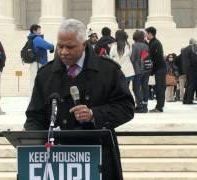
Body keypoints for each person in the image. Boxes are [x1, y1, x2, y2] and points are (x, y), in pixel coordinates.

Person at [24, 19, 134, 180]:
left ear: (84, 44)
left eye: (70, 47)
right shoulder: (45, 75)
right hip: (56, 161)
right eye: (60, 46)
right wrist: (32, 136)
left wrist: (94, 114)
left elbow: (126, 107)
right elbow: (34, 116)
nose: (63, 52)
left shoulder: (108, 71)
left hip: (99, 157)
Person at [28, 24, 54, 94]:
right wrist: (52, 46)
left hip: (34, 63)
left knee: (33, 82)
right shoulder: (37, 39)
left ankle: (33, 100)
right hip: (38, 63)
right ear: (34, 31)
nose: (40, 32)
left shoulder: (31, 38)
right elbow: (48, 45)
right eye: (39, 30)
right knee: (36, 83)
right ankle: (34, 101)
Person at [145, 26, 166, 112]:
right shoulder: (152, 43)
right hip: (158, 69)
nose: (146, 35)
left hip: (160, 69)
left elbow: (157, 58)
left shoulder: (156, 43)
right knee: (158, 87)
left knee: (160, 88)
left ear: (150, 34)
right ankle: (159, 106)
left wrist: (152, 70)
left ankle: (159, 107)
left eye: (147, 33)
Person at [130, 30, 151, 113]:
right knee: (145, 86)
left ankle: (139, 105)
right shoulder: (146, 46)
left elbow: (133, 58)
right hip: (146, 69)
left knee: (135, 88)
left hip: (137, 70)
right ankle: (145, 105)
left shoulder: (134, 46)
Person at [182, 38, 197, 104]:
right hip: (193, 69)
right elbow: (194, 60)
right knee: (192, 84)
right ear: (193, 43)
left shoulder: (184, 49)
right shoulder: (193, 49)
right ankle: (189, 100)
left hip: (186, 69)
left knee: (188, 84)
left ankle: (185, 99)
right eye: (195, 43)